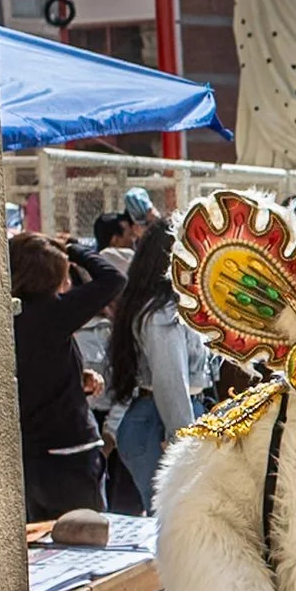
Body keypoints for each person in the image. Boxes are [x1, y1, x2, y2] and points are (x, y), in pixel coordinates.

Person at [11, 231, 125, 519]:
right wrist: (73, 248)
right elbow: (113, 279)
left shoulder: (12, 317)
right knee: (85, 546)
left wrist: (76, 377)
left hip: (30, 457)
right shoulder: (53, 313)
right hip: (71, 454)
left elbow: (36, 372)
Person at [102, 218, 208, 515]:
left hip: (161, 420)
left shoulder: (163, 307)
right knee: (178, 520)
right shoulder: (162, 314)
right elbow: (169, 381)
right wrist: (182, 442)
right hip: (162, 425)